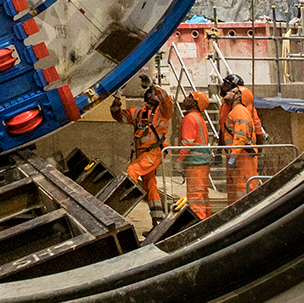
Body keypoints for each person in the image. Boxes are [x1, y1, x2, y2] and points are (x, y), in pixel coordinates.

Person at [109, 73, 174, 212]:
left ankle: (116, 208)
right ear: (148, 96)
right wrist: (117, 96)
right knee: (150, 185)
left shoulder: (163, 111)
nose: (158, 95)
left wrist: (153, 86)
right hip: (141, 154)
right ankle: (157, 220)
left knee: (132, 170)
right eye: (154, 93)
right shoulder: (137, 112)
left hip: (155, 151)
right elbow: (117, 115)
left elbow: (167, 100)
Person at [222, 76, 266, 203]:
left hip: (242, 156)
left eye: (233, 91)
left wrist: (233, 156)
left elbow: (240, 136)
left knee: (244, 188)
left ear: (238, 97)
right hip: (240, 156)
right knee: (238, 188)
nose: (228, 92)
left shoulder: (239, 111)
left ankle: (246, 212)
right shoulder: (235, 110)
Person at [178, 89, 218, 219]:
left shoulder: (189, 118)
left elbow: (187, 143)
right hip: (201, 164)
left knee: (195, 197)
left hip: (195, 164)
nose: (186, 98)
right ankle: (205, 220)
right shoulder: (198, 118)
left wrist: (179, 161)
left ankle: (198, 222)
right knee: (202, 195)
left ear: (196, 103)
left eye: (190, 97)